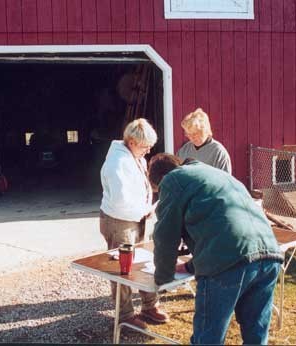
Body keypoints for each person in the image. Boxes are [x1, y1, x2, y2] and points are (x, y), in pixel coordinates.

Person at [149, 154, 284, 345]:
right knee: (256, 335)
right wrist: (189, 267)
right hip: (269, 253)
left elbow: (165, 235)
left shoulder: (172, 180)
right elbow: (221, 225)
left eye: (158, 191)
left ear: (161, 179)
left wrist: (163, 279)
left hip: (226, 263)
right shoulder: (214, 174)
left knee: (208, 338)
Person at [99, 118, 169, 329]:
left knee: (145, 262)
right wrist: (146, 210)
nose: (147, 151)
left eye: (149, 146)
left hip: (136, 218)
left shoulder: (134, 156)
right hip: (120, 221)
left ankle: (149, 305)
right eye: (144, 146)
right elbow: (121, 201)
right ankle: (125, 314)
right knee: (123, 268)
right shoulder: (117, 163)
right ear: (131, 141)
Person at [177, 108, 232, 174]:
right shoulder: (184, 151)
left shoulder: (218, 152)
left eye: (195, 133)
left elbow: (224, 181)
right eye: (189, 134)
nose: (192, 138)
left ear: (205, 130)